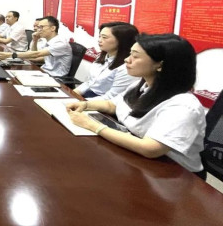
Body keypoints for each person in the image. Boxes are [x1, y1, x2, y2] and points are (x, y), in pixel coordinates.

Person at [67, 34, 206, 176]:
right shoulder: (142, 85)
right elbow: (112, 105)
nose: (127, 60)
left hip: (172, 173)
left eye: (135, 56)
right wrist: (85, 105)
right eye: (130, 54)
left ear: (160, 65)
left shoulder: (183, 106)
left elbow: (150, 149)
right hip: (135, 156)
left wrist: (93, 126)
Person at [73, 22, 140, 100]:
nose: (99, 40)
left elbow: (111, 98)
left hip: (103, 103)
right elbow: (89, 83)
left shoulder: (127, 67)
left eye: (104, 37)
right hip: (89, 96)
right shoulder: (102, 57)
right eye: (100, 36)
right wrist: (72, 94)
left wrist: (82, 103)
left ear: (122, 40)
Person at [0, 16, 72, 77]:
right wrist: (35, 40)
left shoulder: (60, 42)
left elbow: (36, 54)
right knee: (10, 74)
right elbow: (34, 55)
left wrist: (10, 55)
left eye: (41, 27)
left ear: (53, 28)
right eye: (38, 27)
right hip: (44, 72)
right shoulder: (48, 41)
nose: (38, 30)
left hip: (55, 77)